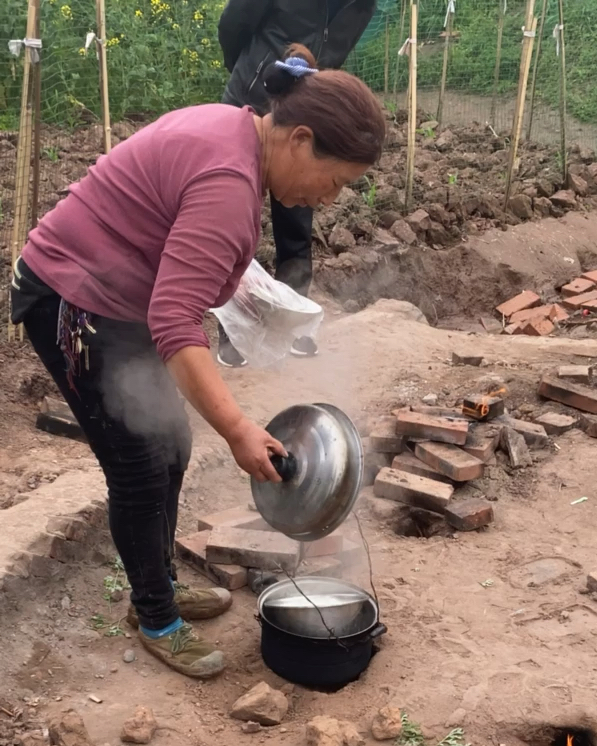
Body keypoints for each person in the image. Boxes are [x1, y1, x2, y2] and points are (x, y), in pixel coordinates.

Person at [12, 48, 384, 679]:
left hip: (117, 297)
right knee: (138, 465)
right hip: (72, 302)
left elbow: (175, 279)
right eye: (338, 180)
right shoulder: (229, 184)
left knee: (172, 446)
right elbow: (174, 322)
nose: (330, 197)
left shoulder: (235, 133)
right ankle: (156, 615)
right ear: (300, 139)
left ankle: (156, 582)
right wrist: (239, 429)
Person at [217, 0, 376, 365]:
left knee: (298, 219)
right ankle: (234, 333)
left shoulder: (362, 6)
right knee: (236, 221)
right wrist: (250, 74)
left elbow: (334, 55)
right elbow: (233, 24)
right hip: (252, 101)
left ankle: (287, 325)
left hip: (307, 113)